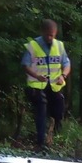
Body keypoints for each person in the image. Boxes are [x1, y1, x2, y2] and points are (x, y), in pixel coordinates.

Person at [22, 19, 71, 150]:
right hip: (37, 85)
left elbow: (66, 64)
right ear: (42, 32)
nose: (50, 37)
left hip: (54, 84)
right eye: (47, 34)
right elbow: (25, 65)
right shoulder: (32, 46)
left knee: (58, 109)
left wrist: (63, 75)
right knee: (41, 109)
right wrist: (37, 76)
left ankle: (57, 139)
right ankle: (41, 142)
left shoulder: (59, 46)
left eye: (52, 35)